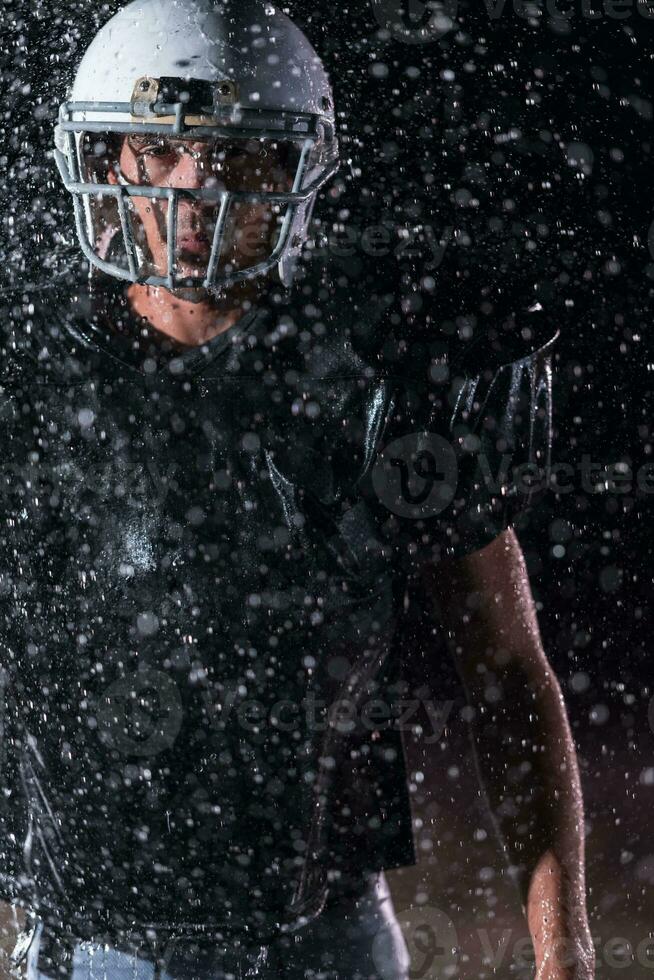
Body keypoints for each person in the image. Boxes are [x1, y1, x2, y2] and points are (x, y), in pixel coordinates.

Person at [0, 0, 594, 977]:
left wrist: (562, 941)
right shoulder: (31, 370)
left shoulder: (383, 376)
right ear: (105, 159)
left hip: (329, 933)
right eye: (160, 155)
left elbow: (505, 669)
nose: (195, 194)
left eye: (237, 157)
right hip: (95, 941)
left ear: (295, 172)